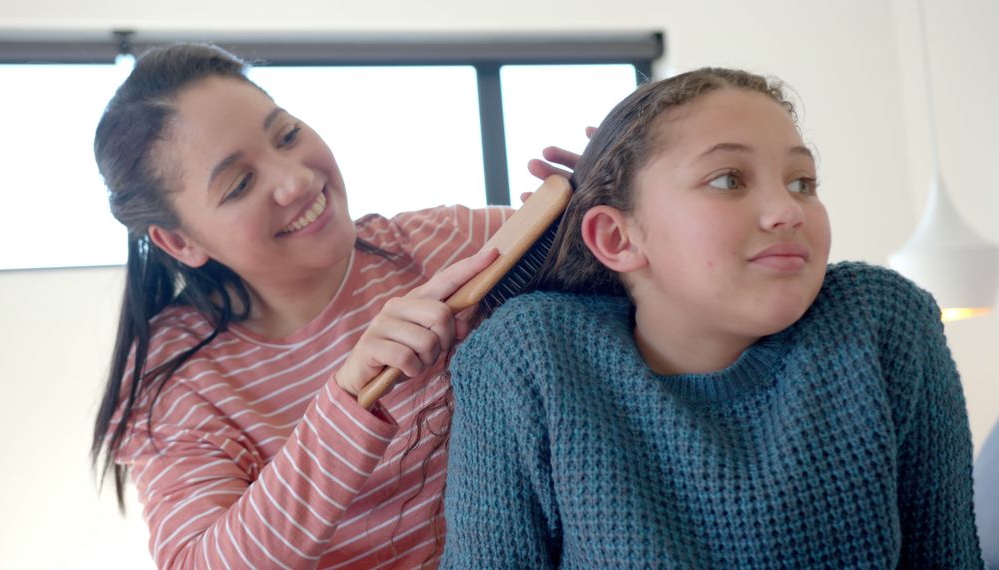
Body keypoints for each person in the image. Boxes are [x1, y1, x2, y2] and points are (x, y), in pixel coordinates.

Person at [441, 68, 984, 568]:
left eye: (803, 182)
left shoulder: (880, 323)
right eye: (729, 180)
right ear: (617, 237)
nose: (789, 209)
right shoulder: (528, 358)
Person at [89, 42, 573, 569]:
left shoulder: (441, 245)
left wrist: (610, 198)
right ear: (180, 242)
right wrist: (347, 397)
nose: (296, 179)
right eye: (240, 183)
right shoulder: (179, 379)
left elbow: (611, 256)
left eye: (287, 135)